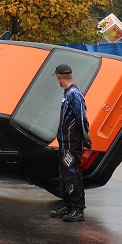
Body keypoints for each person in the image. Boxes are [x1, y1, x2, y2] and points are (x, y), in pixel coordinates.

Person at [49, 64, 91, 222]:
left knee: (72, 173)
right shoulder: (67, 93)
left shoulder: (74, 93)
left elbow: (81, 116)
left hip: (72, 143)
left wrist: (85, 136)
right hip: (65, 142)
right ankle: (68, 205)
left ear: (59, 77)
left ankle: (78, 209)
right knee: (64, 174)